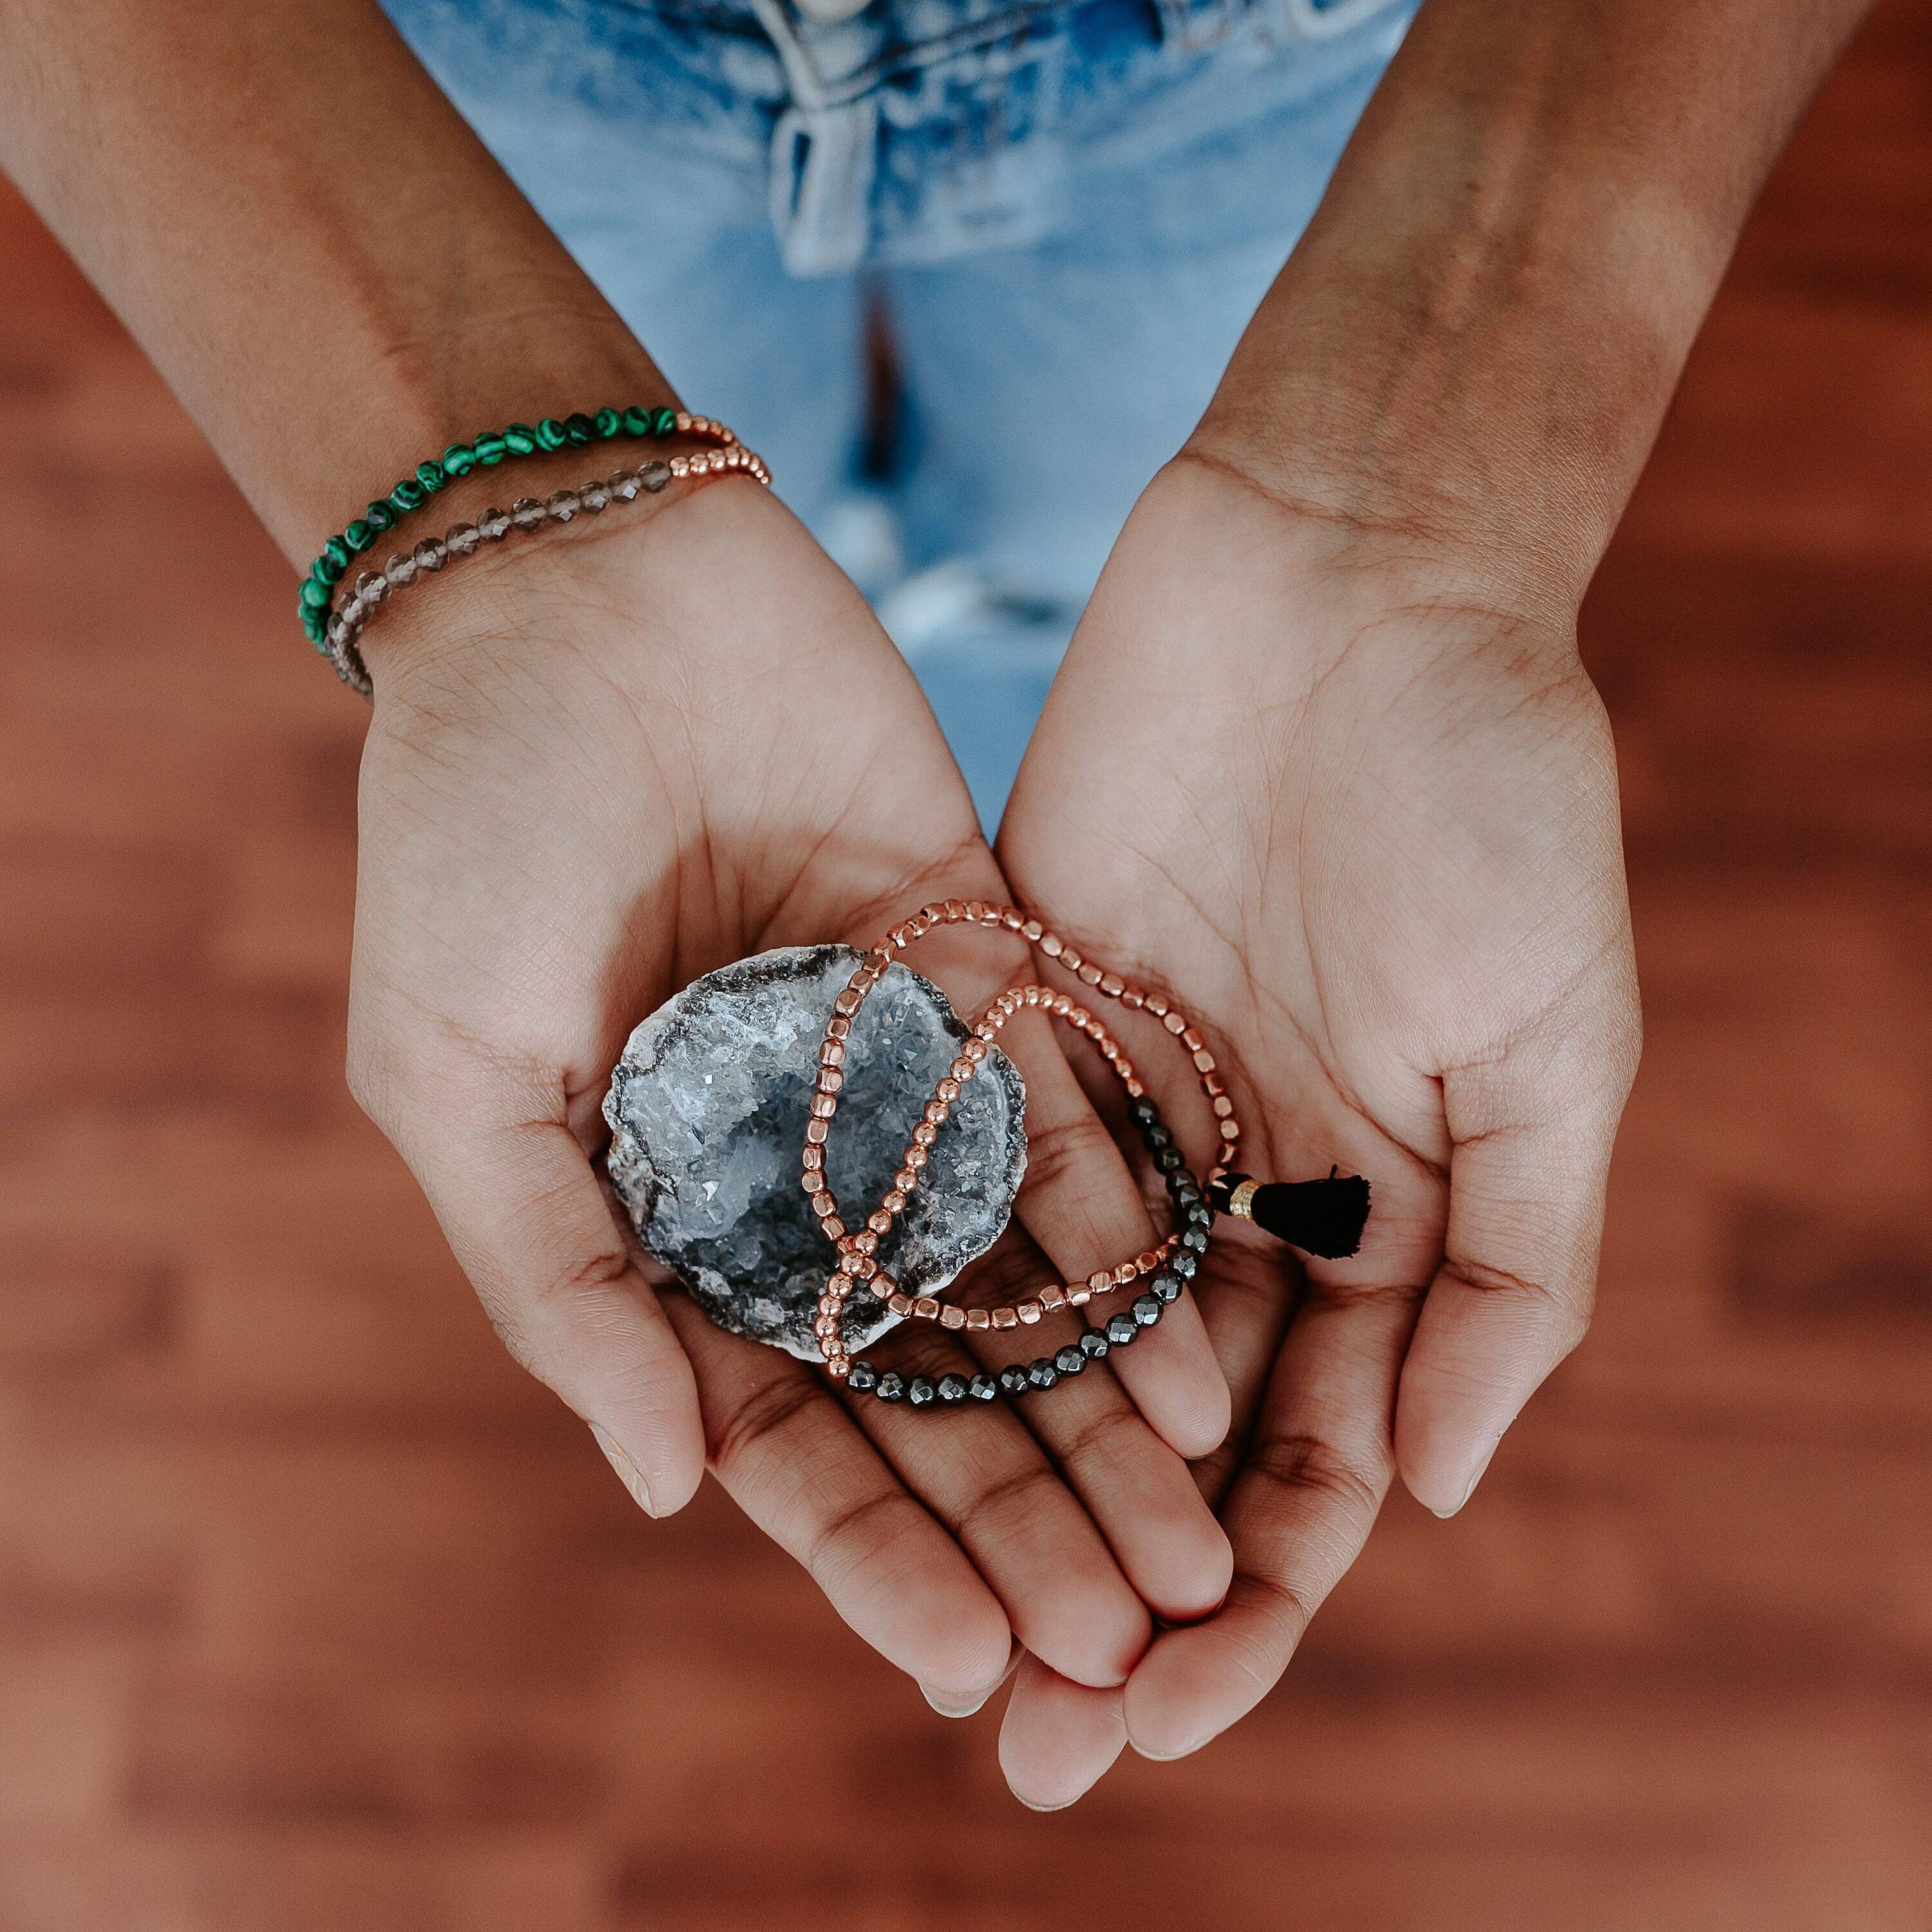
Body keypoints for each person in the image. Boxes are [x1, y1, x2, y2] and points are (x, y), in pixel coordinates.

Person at [0, 0, 1868, 1808]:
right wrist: (507, 575)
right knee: (820, 553)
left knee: (1086, 572)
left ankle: (981, 709)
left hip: (1274, 73)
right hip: (449, 64)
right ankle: (911, 685)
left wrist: (1427, 496)